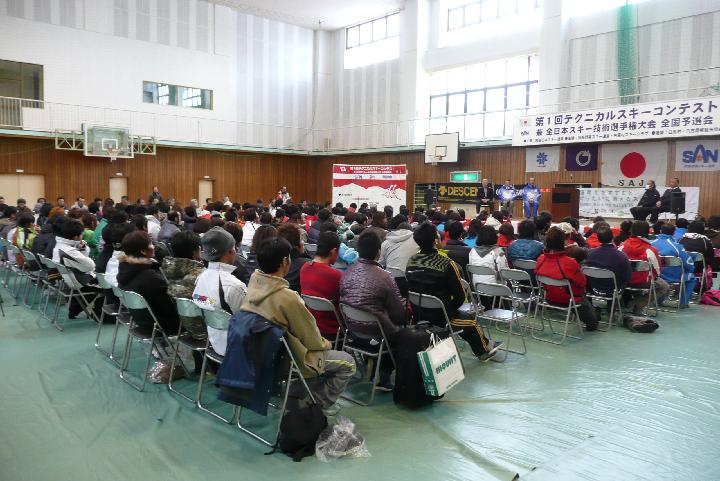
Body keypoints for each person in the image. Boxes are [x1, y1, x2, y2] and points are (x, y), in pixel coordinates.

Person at [242, 237, 355, 411]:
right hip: (289, 359)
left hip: (260, 356)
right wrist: (327, 344)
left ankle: (298, 394)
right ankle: (315, 406)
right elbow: (312, 340)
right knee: (348, 362)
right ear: (285, 261)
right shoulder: (287, 298)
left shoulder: (251, 286)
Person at [406, 222, 501, 360]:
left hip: (417, 315)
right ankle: (484, 351)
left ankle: (482, 347)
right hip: (441, 317)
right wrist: (449, 310)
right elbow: (460, 296)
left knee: (462, 318)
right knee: (470, 321)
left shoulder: (411, 261)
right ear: (435, 240)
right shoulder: (447, 264)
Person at [339, 231, 407, 391]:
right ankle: (384, 374)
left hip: (352, 332)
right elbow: (400, 314)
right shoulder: (385, 277)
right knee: (403, 331)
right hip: (377, 333)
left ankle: (374, 369)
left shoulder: (346, 273)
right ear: (378, 252)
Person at [192, 227, 248, 356]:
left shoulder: (200, 278)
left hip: (213, 341)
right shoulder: (233, 286)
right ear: (230, 252)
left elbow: (210, 304)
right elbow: (247, 322)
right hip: (235, 347)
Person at [116, 230, 179, 335]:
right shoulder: (150, 278)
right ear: (143, 251)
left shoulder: (124, 269)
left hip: (141, 321)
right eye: (151, 243)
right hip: (162, 325)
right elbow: (170, 308)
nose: (154, 246)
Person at [535, 227, 598, 331]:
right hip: (571, 299)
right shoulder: (570, 262)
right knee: (593, 324)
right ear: (563, 242)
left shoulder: (541, 259)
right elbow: (582, 283)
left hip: (548, 298)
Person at [618, 221, 670, 315]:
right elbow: (657, 272)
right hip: (643, 282)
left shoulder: (621, 246)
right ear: (647, 232)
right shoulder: (651, 250)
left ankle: (627, 304)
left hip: (623, 281)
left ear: (631, 231)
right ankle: (637, 305)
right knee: (664, 286)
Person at [300, 231, 343, 342]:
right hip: (335, 330)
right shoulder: (335, 275)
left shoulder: (304, 268)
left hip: (313, 326)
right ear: (333, 251)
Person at [652, 224, 696, 307]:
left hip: (653, 275)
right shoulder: (677, 246)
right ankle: (683, 303)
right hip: (673, 277)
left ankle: (658, 300)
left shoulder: (650, 244)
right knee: (692, 277)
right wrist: (690, 269)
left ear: (660, 231)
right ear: (673, 233)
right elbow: (689, 265)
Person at [586, 225, 632, 295]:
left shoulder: (590, 253)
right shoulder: (621, 256)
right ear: (613, 237)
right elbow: (627, 277)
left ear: (598, 239)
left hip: (595, 288)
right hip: (614, 290)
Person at [276, 223, 311, 293]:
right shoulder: (307, 264)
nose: (303, 242)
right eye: (301, 239)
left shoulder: (273, 262)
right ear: (297, 244)